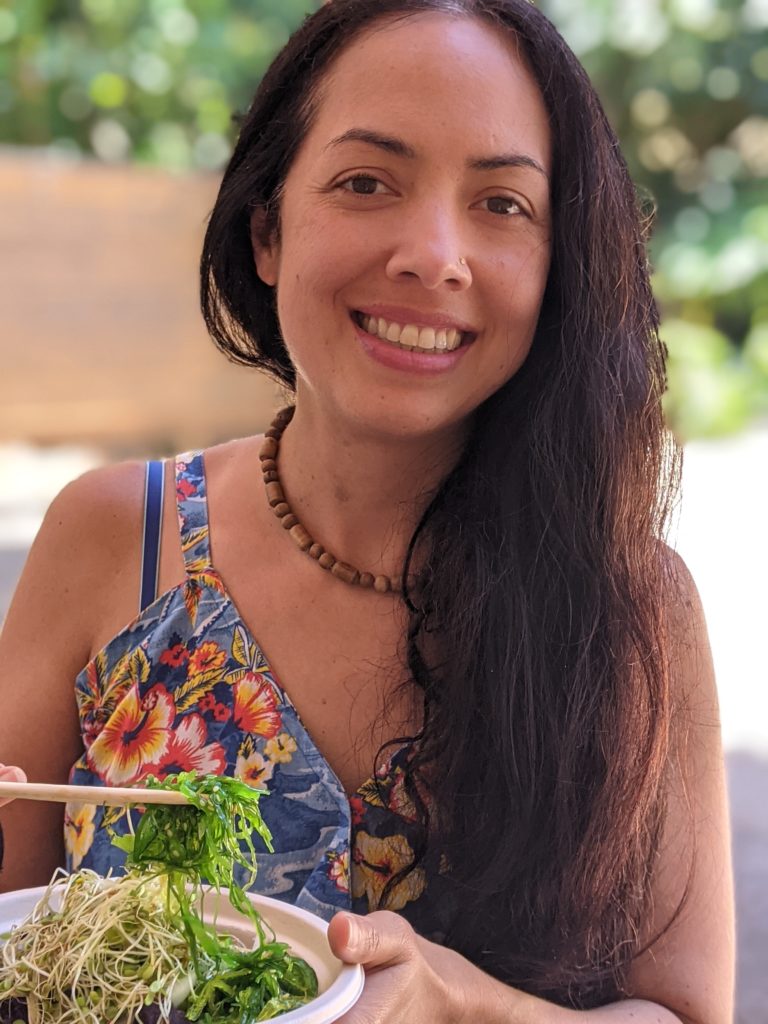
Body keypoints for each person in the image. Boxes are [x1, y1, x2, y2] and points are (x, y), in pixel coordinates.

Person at [0, 0, 733, 1020]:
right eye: (366, 182)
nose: (435, 255)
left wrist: (461, 1000)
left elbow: (686, 1011)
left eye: (503, 204)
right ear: (267, 230)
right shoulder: (115, 538)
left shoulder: (632, 605)